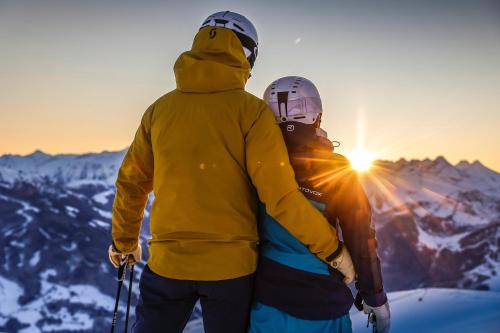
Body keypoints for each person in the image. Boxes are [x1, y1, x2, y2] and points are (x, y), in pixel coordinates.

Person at [107, 12, 354, 333]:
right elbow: (281, 200)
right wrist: (334, 252)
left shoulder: (159, 110)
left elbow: (132, 184)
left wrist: (124, 243)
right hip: (232, 273)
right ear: (247, 56)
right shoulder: (251, 112)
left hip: (168, 264)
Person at [248, 76, 391, 333]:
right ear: (317, 116)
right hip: (322, 305)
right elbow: (360, 236)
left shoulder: (254, 164)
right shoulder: (336, 170)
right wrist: (375, 296)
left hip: (266, 302)